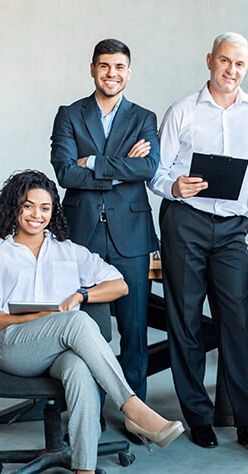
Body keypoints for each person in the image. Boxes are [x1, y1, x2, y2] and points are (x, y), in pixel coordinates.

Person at [0, 170, 183, 474]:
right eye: (28, 207)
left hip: (60, 349)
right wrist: (35, 318)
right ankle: (132, 408)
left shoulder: (69, 252)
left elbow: (120, 285)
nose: (37, 215)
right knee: (78, 322)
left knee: (81, 370)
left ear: (54, 212)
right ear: (14, 209)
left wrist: (82, 295)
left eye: (45, 208)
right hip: (14, 349)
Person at [149, 32, 248, 458]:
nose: (231, 70)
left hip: (231, 230)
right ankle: (198, 418)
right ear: (210, 60)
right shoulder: (182, 111)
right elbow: (154, 174)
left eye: (240, 64)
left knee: (237, 326)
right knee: (185, 321)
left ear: (247, 68)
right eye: (225, 61)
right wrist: (175, 185)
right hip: (184, 222)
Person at [50, 38, 159, 414]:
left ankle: (136, 413)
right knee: (86, 330)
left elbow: (147, 169)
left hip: (130, 236)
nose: (111, 74)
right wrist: (116, 168)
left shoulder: (144, 118)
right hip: (82, 235)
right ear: (93, 69)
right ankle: (88, 411)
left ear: (129, 73)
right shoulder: (69, 114)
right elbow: (65, 172)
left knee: (134, 329)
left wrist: (94, 162)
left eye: (119, 67)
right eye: (104, 66)